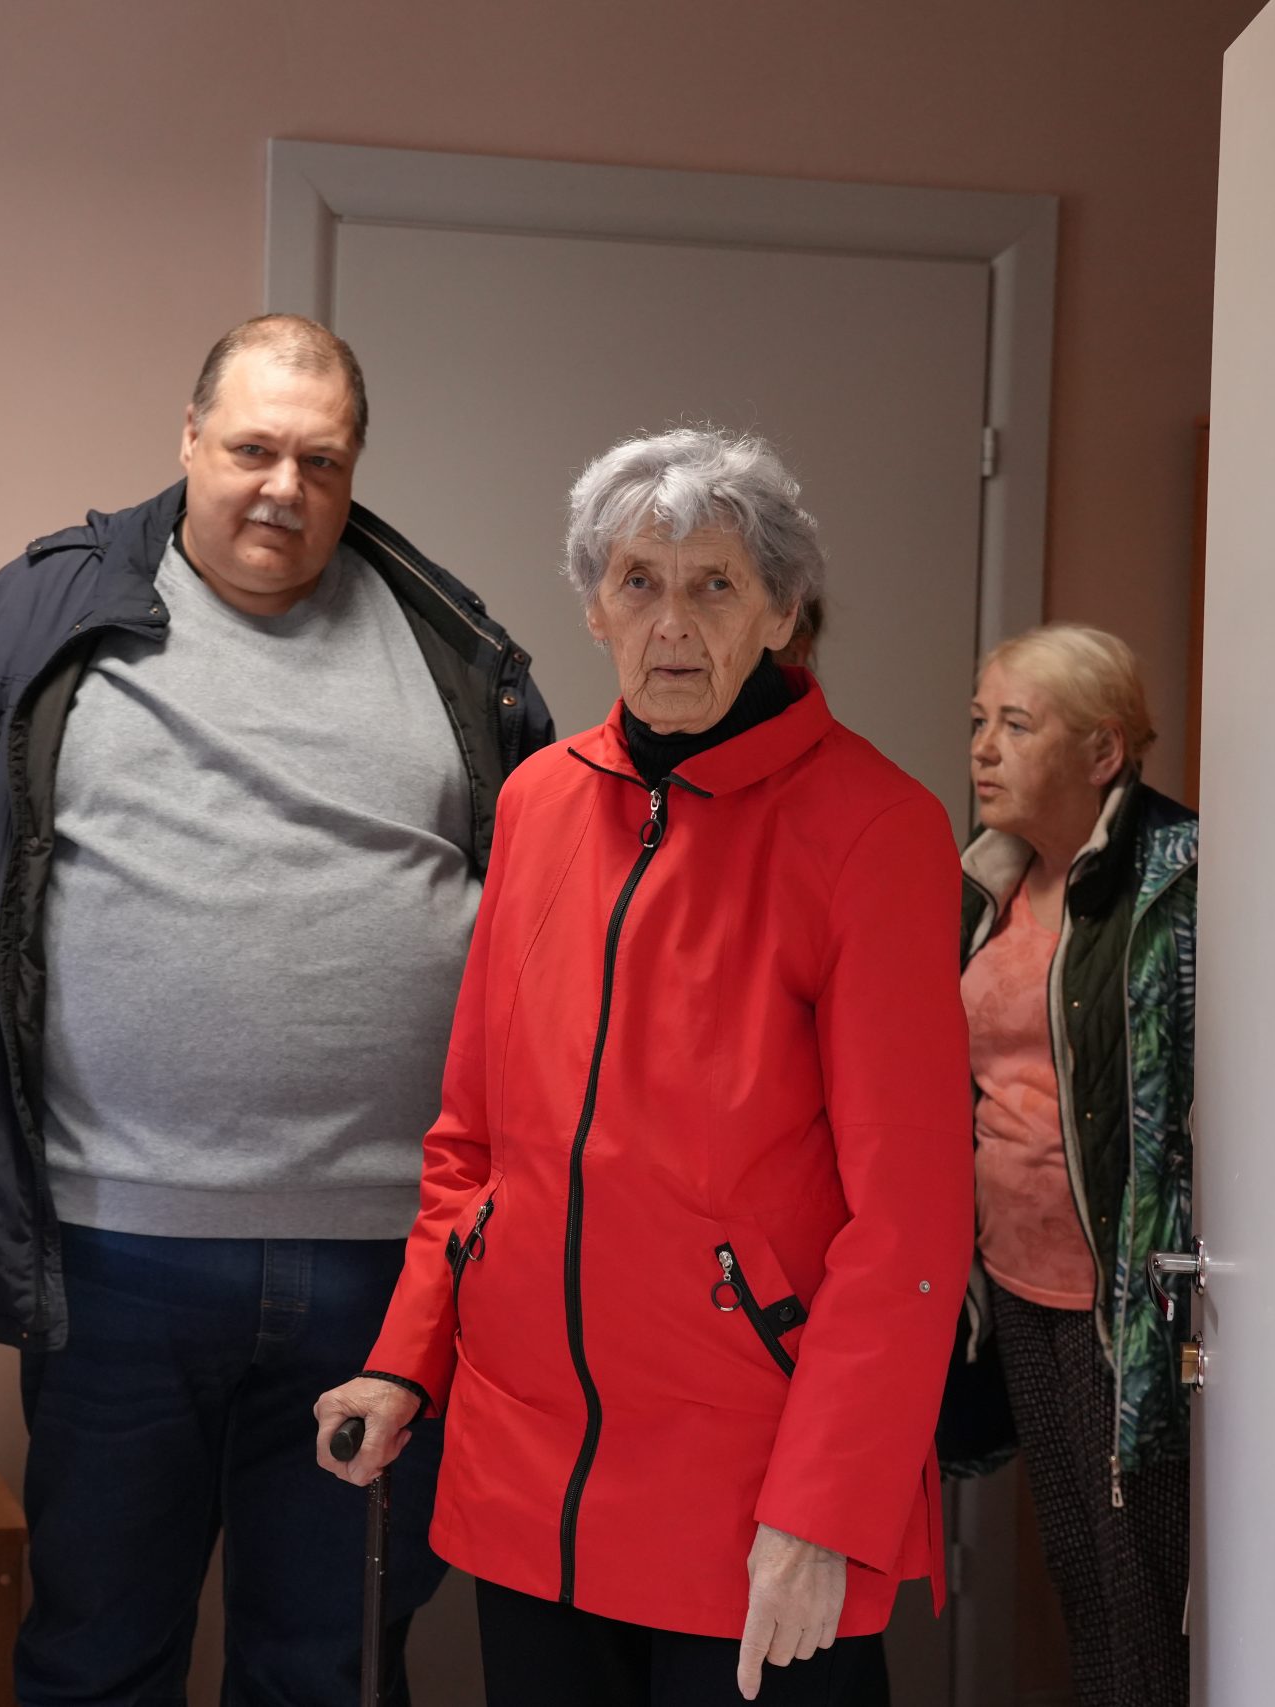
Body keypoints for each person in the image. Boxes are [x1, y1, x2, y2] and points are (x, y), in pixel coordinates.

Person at [0, 314, 555, 1706]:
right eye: (253, 449)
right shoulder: (45, 614)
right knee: (96, 1656)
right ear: (189, 439)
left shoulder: (453, 646)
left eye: (322, 460)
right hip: (109, 1254)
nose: (284, 488)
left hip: (385, 1271)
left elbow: (550, 935)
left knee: (330, 1666)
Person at [315, 426, 973, 1706]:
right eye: (638, 583)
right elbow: (473, 1142)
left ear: (781, 613)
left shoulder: (875, 829)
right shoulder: (538, 803)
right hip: (528, 1472)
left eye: (715, 584)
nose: (672, 623)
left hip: (751, 1490)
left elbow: (910, 1222)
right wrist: (406, 1357)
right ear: (594, 608)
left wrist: (825, 1509)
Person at [958, 624, 1198, 1707]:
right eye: (979, 722)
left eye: (1017, 724)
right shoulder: (987, 884)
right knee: (1078, 1569)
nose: (983, 748)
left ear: (1102, 751)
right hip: (1016, 1284)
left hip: (1127, 1303)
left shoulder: (1177, 883)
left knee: (1141, 1586)